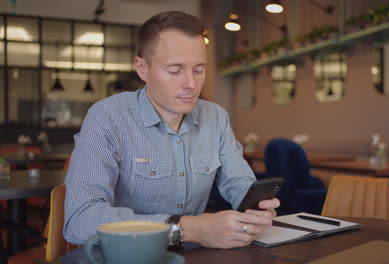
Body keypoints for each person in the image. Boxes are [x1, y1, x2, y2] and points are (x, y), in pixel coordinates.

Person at [64, 11, 279, 249]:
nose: (191, 84)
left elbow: (240, 184)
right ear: (142, 68)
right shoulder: (108, 117)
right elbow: (80, 220)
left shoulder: (215, 117)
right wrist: (186, 229)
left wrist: (256, 208)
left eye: (199, 70)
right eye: (175, 70)